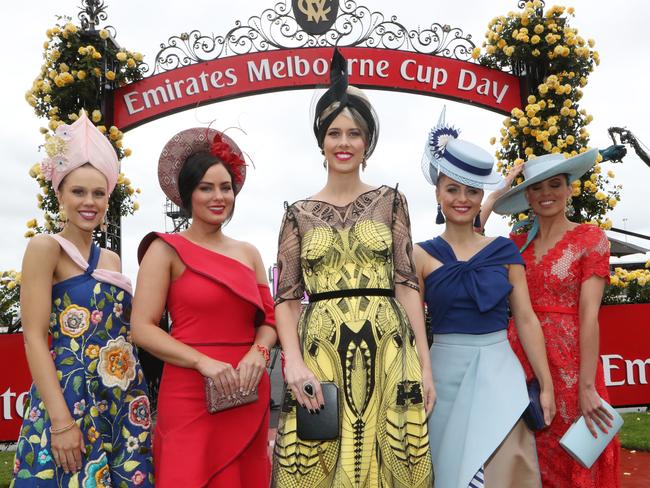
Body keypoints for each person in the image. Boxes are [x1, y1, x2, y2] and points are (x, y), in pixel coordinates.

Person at [271, 48, 434, 488]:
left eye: (355, 134)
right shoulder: (297, 213)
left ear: (367, 144)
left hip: (389, 351)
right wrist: (293, 363)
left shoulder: (391, 202)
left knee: (393, 457)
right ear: (321, 142)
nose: (344, 143)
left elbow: (406, 287)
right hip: (320, 350)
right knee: (320, 459)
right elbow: (285, 300)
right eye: (335, 133)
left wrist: (424, 363)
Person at [414, 110, 555, 488]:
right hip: (442, 376)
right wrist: (423, 374)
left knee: (506, 471)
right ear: (438, 193)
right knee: (449, 472)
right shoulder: (420, 255)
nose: (462, 199)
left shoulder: (505, 251)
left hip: (500, 374)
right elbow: (411, 328)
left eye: (472, 191)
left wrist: (545, 383)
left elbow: (525, 319)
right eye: (452, 189)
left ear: (481, 197)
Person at [12, 111, 153, 487]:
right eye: (78, 191)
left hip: (119, 401)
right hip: (69, 399)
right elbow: (33, 337)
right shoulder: (45, 248)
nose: (89, 202)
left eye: (98, 193)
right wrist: (60, 422)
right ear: (59, 193)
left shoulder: (111, 259)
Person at [131, 127, 277, 488]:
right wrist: (202, 362)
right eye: (206, 188)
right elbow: (142, 328)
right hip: (188, 391)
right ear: (187, 195)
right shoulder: (164, 250)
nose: (218, 197)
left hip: (245, 390)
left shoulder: (248, 252)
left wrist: (258, 352)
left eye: (225, 187)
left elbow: (270, 319)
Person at [483, 149, 620, 487]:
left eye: (555, 185)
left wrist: (587, 387)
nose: (546, 194)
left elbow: (590, 316)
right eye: (537, 187)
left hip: (573, 369)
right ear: (526, 195)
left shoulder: (590, 238)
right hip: (521, 368)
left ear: (569, 188)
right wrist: (493, 197)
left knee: (575, 454)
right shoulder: (513, 245)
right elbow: (466, 239)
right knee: (529, 460)